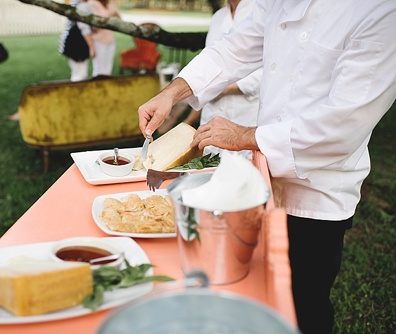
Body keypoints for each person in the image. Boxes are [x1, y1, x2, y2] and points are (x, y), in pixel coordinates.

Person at [138, 1, 396, 333]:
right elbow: (231, 50)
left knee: (304, 306)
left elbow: (343, 125)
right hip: (263, 180)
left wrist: (244, 136)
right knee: (257, 299)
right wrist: (170, 94)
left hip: (317, 195)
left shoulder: (378, 10)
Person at [185, 0, 262, 158]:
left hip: (246, 118)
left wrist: (223, 87)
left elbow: (269, 70)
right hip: (211, 117)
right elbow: (211, 63)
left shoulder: (262, 11)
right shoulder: (218, 18)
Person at [59, 0, 96, 82]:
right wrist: (92, 47)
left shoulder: (76, 3)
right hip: (77, 44)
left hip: (72, 43)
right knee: (80, 74)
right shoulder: (81, 6)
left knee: (78, 72)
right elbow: (84, 28)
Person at [88, 0, 120, 77]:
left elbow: (118, 19)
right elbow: (95, 25)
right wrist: (110, 17)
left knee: (108, 67)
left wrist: (105, 20)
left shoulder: (110, 3)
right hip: (98, 40)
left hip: (110, 39)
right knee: (99, 68)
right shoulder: (92, 3)